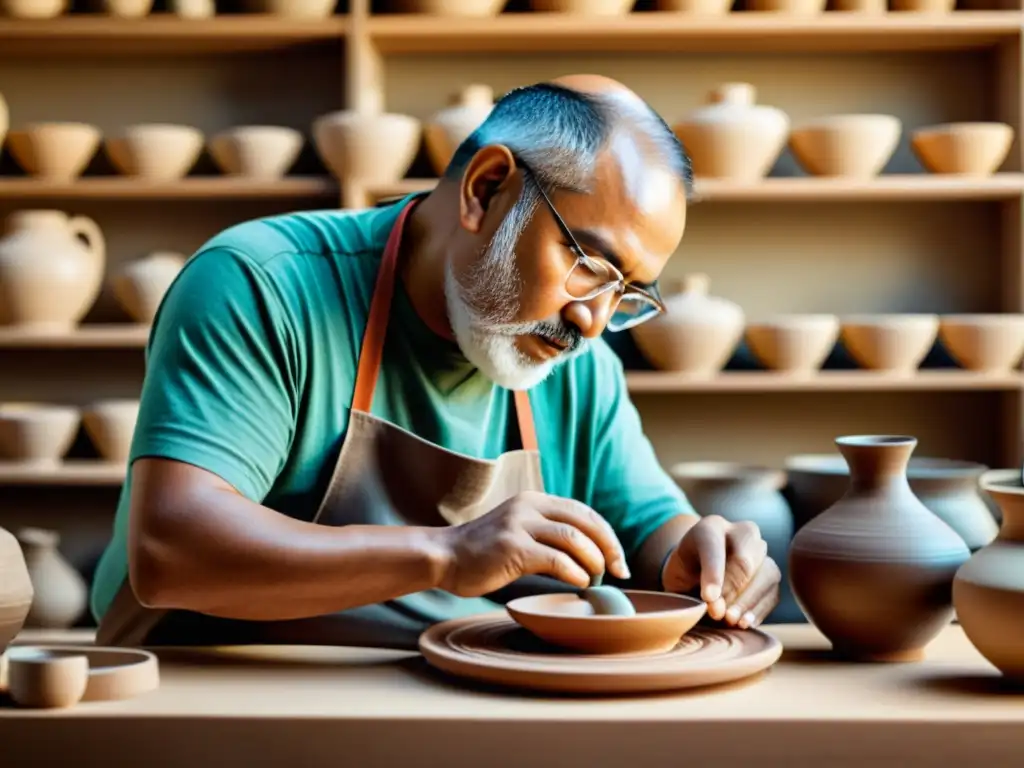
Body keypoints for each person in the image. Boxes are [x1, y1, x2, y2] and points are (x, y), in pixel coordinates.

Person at [90, 74, 781, 650]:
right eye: (588, 265)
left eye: (627, 293)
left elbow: (650, 528)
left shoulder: (578, 365)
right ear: (484, 190)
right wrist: (447, 554)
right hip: (212, 706)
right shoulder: (261, 284)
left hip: (439, 708)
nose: (592, 319)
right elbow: (171, 549)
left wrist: (701, 555)